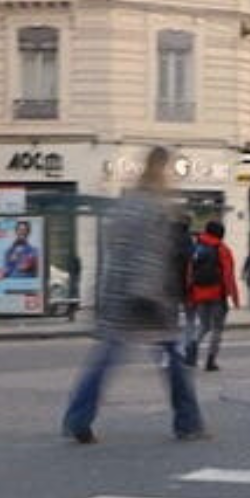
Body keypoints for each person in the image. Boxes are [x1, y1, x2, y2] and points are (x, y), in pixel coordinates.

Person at [63, 146, 204, 444]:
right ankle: (188, 422)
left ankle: (78, 417)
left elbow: (112, 248)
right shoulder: (157, 207)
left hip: (117, 294)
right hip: (147, 297)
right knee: (173, 359)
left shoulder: (125, 205)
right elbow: (151, 256)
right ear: (163, 169)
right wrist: (152, 294)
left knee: (105, 358)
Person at [182, 220, 240, 372]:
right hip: (217, 295)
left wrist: (190, 292)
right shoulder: (222, 249)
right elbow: (228, 275)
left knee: (204, 325)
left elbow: (190, 272)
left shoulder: (197, 248)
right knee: (217, 329)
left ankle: (191, 349)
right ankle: (210, 361)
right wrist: (234, 297)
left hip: (199, 293)